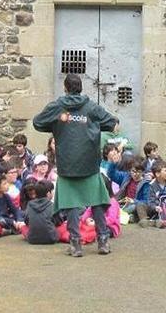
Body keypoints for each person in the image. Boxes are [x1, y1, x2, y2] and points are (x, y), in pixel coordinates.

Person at [33, 73, 118, 257]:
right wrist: (92, 126)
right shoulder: (91, 107)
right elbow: (111, 123)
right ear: (80, 88)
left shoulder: (57, 107)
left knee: (71, 205)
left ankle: (76, 244)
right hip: (89, 163)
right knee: (96, 202)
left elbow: (38, 122)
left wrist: (58, 125)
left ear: (65, 88)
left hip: (67, 164)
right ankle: (103, 241)